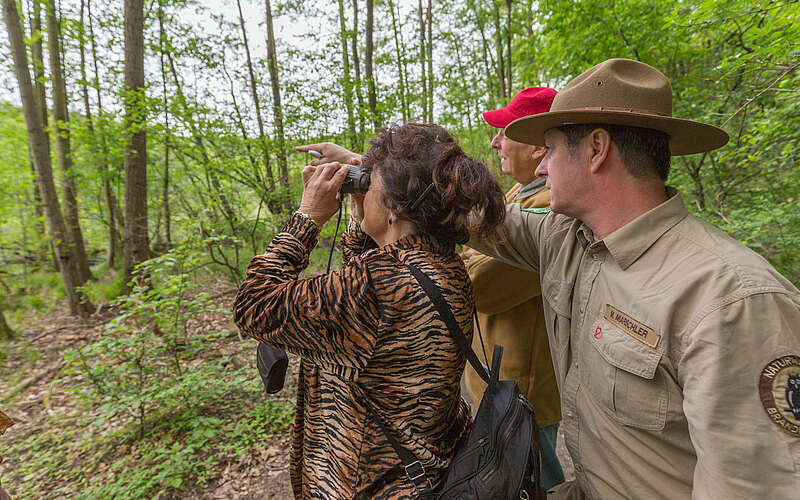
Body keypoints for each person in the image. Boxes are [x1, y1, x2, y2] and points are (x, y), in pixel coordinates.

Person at [467, 58, 800, 498]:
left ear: (596, 149)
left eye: (549, 150)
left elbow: (753, 487)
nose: (542, 169)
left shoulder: (731, 300)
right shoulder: (568, 239)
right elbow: (469, 214)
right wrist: (370, 174)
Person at [234, 123, 506, 499]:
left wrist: (306, 218)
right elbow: (372, 290)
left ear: (395, 208)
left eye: (370, 184)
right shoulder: (444, 263)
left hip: (363, 483)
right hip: (421, 472)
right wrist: (361, 216)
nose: (365, 189)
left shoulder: (373, 289)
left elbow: (253, 306)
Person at [461, 86, 564, 490]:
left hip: (523, 391)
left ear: (539, 149)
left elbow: (476, 285)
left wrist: (463, 257)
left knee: (536, 481)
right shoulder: (517, 193)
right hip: (497, 380)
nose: (495, 141)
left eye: (505, 130)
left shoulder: (551, 204)